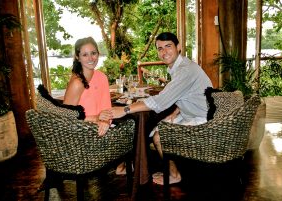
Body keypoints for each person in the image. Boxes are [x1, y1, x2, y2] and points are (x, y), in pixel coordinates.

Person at [111, 32, 213, 185]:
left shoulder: (185, 70)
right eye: (160, 49)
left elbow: (160, 101)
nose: (164, 52)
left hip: (203, 118)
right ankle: (133, 165)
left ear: (178, 47)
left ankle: (174, 174)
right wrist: (175, 111)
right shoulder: (180, 66)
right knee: (152, 127)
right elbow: (190, 94)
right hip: (191, 113)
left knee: (159, 136)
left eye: (168, 46)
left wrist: (125, 109)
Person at [63, 37, 112, 137]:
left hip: (101, 129)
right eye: (85, 55)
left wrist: (105, 121)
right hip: (80, 133)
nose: (90, 58)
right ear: (78, 57)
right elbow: (66, 117)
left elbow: (107, 109)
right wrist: (95, 118)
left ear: (98, 54)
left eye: (93, 53)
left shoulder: (102, 77)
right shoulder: (77, 83)